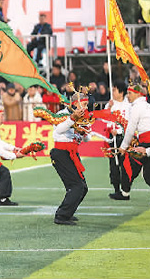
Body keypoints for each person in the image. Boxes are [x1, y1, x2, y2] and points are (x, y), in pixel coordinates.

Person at [50, 92, 91, 225]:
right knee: (76, 186)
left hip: (72, 153)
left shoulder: (84, 117)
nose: (86, 107)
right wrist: (72, 119)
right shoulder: (62, 114)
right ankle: (62, 216)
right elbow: (58, 130)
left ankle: (68, 212)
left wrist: (84, 131)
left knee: (82, 187)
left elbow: (87, 139)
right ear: (75, 103)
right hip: (61, 152)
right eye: (84, 104)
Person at [104, 81, 141, 201]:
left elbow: (131, 122)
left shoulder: (128, 105)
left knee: (126, 164)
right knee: (113, 166)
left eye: (114, 90)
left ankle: (126, 189)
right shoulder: (110, 104)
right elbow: (105, 119)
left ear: (121, 92)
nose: (113, 92)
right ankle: (116, 189)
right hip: (113, 139)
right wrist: (109, 108)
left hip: (125, 139)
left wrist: (120, 131)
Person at [119, 83, 150, 205]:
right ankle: (124, 190)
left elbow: (130, 129)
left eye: (130, 93)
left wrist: (123, 147)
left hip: (147, 143)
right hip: (147, 142)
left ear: (138, 93)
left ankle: (124, 191)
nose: (127, 96)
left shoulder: (137, 108)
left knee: (131, 165)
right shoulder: (149, 107)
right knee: (148, 174)